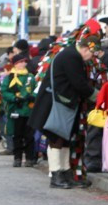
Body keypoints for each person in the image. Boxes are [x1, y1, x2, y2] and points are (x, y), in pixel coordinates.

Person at [31, 24, 101, 189]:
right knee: (57, 139)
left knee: (64, 139)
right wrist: (99, 96)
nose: (91, 58)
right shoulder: (72, 57)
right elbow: (78, 83)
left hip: (64, 103)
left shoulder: (71, 54)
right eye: (91, 53)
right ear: (85, 48)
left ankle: (65, 172)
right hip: (58, 104)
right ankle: (56, 174)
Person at [1, 52, 37, 167]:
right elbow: (4, 92)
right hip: (16, 110)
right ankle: (17, 158)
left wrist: (33, 97)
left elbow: (36, 90)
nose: (23, 64)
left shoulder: (30, 77)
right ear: (15, 64)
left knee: (29, 136)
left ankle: (30, 158)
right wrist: (14, 98)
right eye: (20, 62)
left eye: (24, 61)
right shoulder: (9, 77)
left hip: (29, 111)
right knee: (17, 135)